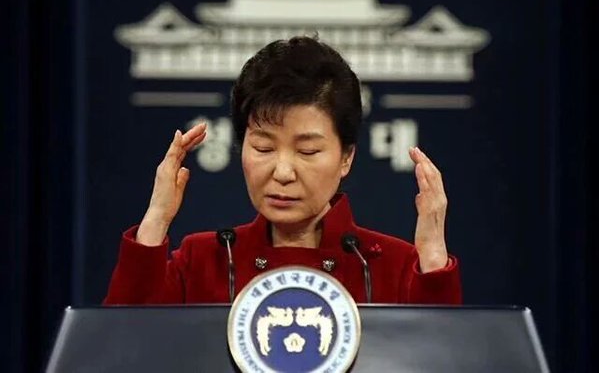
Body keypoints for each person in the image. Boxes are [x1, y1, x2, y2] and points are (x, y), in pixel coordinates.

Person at [104, 36, 461, 305]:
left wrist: (432, 258)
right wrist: (156, 220)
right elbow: (123, 346)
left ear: (346, 157)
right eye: (264, 148)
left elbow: (445, 357)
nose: (283, 172)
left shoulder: (392, 266)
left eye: (307, 151)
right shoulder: (204, 260)